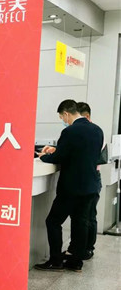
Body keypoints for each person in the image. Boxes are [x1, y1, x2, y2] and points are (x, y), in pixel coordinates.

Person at [35, 99, 103, 272]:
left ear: (66, 113)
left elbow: (60, 157)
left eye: (61, 117)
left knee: (53, 221)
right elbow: (82, 154)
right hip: (90, 185)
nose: (63, 121)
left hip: (71, 188)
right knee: (80, 223)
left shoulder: (70, 131)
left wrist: (44, 156)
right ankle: (76, 262)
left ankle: (55, 261)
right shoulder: (97, 130)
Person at [62, 102, 107, 260]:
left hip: (88, 178)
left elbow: (92, 157)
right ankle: (80, 249)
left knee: (86, 217)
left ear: (85, 116)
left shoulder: (89, 132)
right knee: (84, 217)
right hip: (92, 179)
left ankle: (85, 249)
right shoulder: (96, 131)